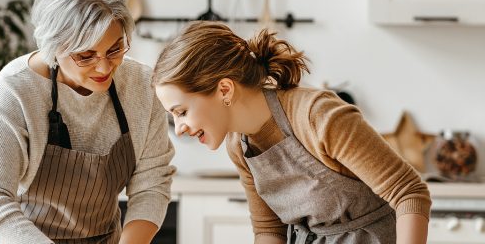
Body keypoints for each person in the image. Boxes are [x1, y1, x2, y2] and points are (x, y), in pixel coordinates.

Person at [152, 21, 431, 244]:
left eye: (181, 112)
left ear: (225, 89)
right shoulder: (239, 145)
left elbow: (409, 193)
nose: (179, 129)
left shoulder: (318, 117)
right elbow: (269, 231)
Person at [0, 0, 175, 244]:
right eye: (86, 55)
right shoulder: (16, 88)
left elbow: (152, 183)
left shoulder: (141, 86)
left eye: (115, 49)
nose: (104, 66)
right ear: (54, 48)